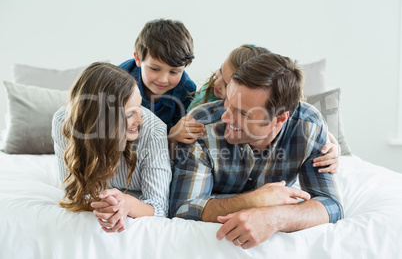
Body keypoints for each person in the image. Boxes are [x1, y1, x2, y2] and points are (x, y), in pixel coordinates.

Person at [169, 53, 343, 249]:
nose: (226, 117)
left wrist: (275, 217)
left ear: (279, 119)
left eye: (243, 113)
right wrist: (256, 200)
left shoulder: (308, 126)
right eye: (228, 102)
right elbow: (182, 208)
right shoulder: (200, 125)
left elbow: (331, 205)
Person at [171, 44, 339, 172]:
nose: (217, 83)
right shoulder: (202, 104)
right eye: (220, 71)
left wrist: (333, 147)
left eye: (228, 83)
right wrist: (172, 136)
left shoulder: (290, 117)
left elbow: (316, 133)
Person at [52, 62, 171, 233]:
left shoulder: (153, 131)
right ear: (101, 122)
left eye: (140, 107)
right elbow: (73, 191)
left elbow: (159, 209)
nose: (140, 120)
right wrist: (106, 205)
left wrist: (127, 204)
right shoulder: (64, 122)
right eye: (130, 114)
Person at [119, 19, 196, 133]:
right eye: (154, 69)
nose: (163, 80)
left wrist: (172, 134)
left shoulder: (186, 90)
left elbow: (177, 132)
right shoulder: (119, 80)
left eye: (173, 72)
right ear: (138, 59)